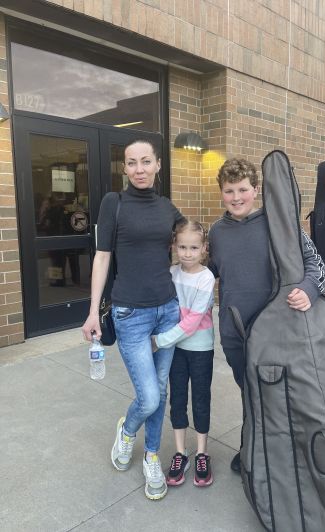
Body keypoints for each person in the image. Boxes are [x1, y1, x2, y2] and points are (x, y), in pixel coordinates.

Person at [208, 158, 325, 473]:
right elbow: (208, 273)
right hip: (235, 332)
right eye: (229, 191)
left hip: (275, 330)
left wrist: (308, 289)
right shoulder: (217, 232)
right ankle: (253, 446)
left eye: (242, 190)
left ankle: (285, 454)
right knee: (249, 392)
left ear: (256, 190)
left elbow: (316, 264)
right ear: (221, 192)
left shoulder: (280, 224)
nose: (236, 197)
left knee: (278, 394)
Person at [82, 138, 184, 501]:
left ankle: (152, 455)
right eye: (131, 163)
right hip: (130, 314)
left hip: (167, 311)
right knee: (150, 396)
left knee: (161, 390)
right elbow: (102, 257)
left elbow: (194, 242)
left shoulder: (167, 207)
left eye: (145, 161)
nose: (139, 169)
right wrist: (93, 311)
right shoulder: (115, 203)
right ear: (124, 168)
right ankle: (127, 431)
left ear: (158, 165)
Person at [151, 220, 215, 487]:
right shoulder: (171, 273)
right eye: (182, 247)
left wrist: (160, 340)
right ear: (174, 247)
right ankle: (181, 453)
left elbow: (192, 322)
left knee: (200, 399)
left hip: (200, 349)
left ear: (204, 248)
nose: (187, 253)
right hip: (175, 351)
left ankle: (201, 453)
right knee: (177, 399)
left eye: (194, 248)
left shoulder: (206, 278)